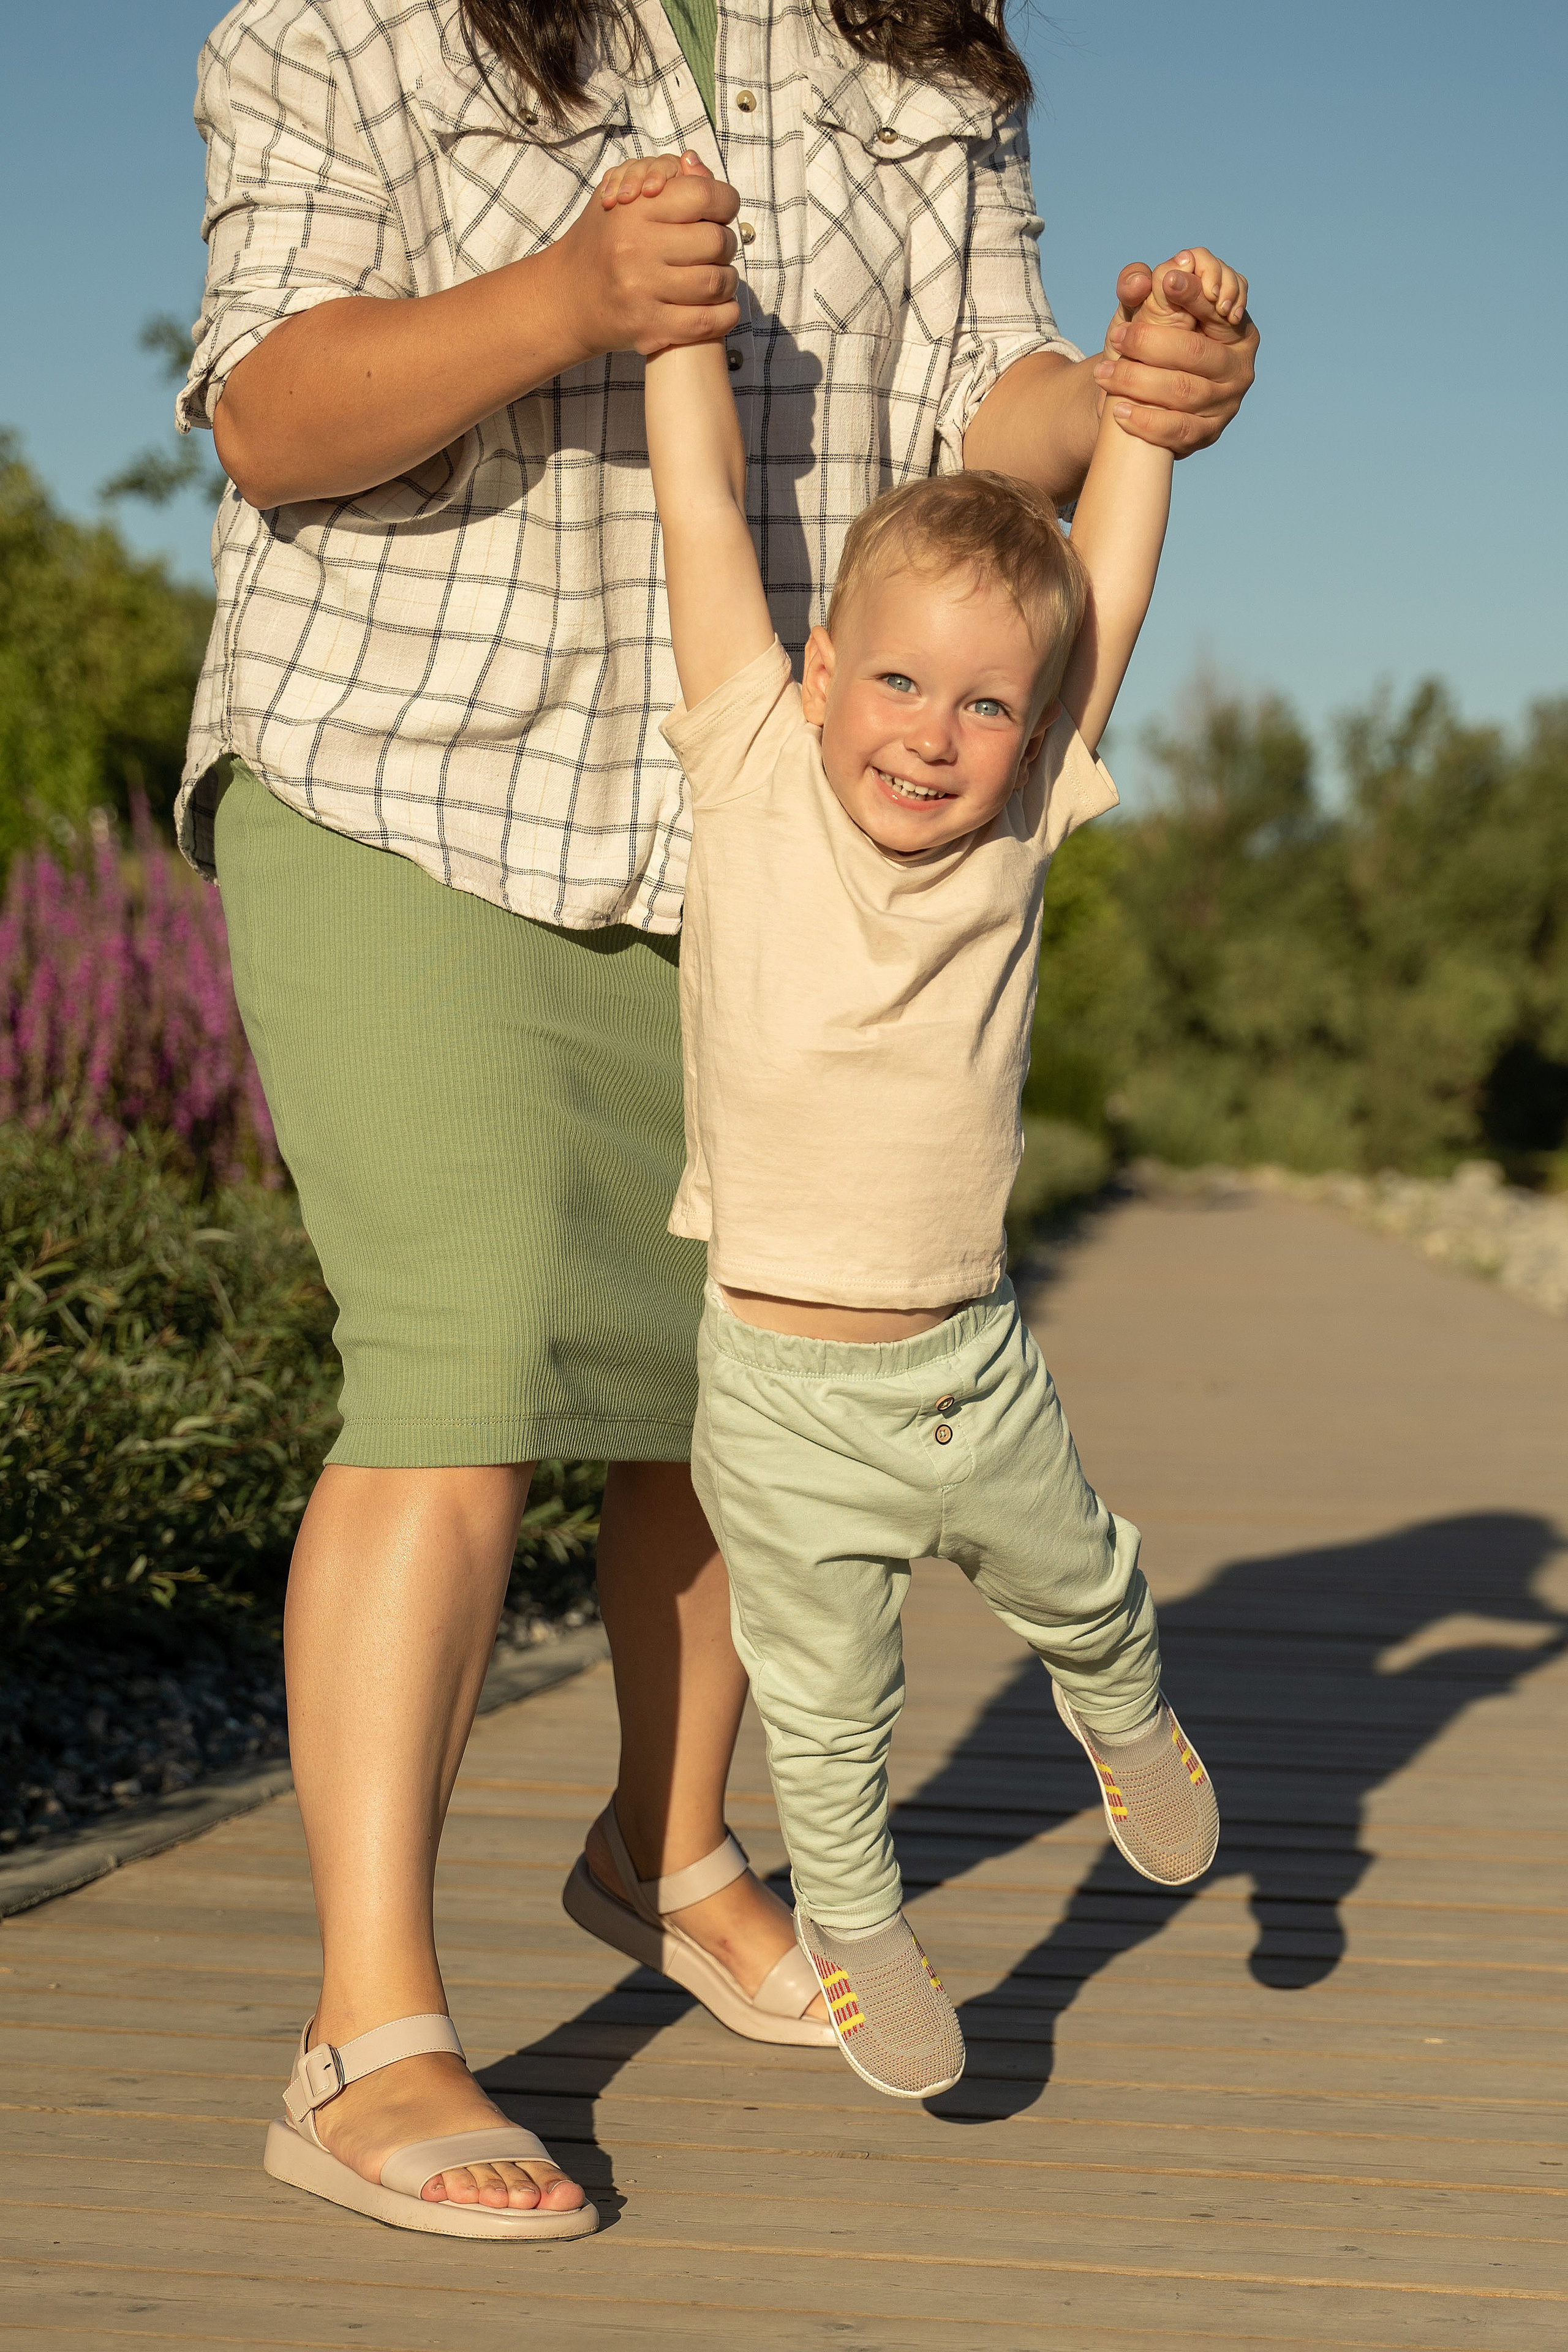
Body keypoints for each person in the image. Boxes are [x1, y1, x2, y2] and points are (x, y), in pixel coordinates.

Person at [178, 0, 1256, 2239]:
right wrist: (568, 297)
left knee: (716, 1389)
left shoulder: (926, 54)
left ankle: (663, 1856)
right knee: (461, 1356)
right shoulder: (331, 21)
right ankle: (367, 2036)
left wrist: (1131, 394)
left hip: (766, 839)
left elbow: (999, 403)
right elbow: (273, 413)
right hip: (415, 773)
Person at [639, 149, 1238, 2098]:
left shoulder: (1020, 824)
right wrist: (672, 333)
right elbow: (704, 514)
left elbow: (1113, 585)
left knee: (1081, 1579)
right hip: (779, 1384)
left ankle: (1128, 1710)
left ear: (1033, 730)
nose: (930, 730)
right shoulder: (748, 767)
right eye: (894, 680)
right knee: (824, 1714)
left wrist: (1148, 400)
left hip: (969, 1364)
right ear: (816, 680)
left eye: (986, 705)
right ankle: (861, 1930)